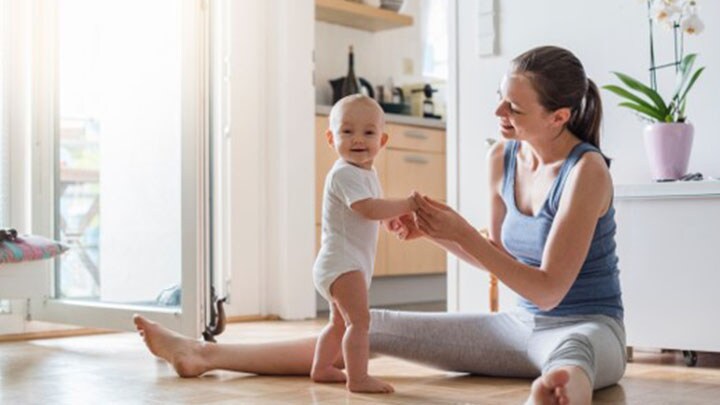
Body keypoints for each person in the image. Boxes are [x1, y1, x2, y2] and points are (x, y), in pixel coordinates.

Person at [134, 45, 625, 404]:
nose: (498, 112)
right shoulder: (503, 156)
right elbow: (499, 258)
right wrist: (439, 232)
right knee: (363, 325)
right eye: (501, 98)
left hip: (587, 326)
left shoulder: (587, 172)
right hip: (515, 329)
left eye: (513, 108)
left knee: (573, 350)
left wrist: (457, 231)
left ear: (559, 116)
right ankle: (201, 355)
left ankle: (559, 394)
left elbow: (548, 292)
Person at [310, 94, 415, 393]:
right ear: (331, 138)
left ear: (382, 140)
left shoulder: (367, 172)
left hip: (342, 262)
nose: (358, 139)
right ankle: (358, 379)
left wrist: (389, 220)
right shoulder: (344, 173)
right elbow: (367, 208)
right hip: (343, 264)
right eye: (347, 131)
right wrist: (407, 205)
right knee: (360, 321)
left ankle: (321, 367)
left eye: (368, 132)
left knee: (340, 323)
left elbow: (373, 209)